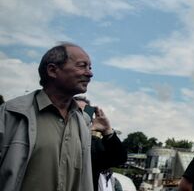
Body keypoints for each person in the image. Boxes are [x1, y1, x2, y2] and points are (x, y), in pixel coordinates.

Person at [0, 43, 95, 191]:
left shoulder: (83, 122)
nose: (89, 74)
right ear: (52, 70)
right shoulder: (10, 113)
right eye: (82, 66)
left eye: (90, 67)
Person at [74, 96, 127, 191]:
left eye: (85, 113)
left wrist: (107, 132)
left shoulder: (94, 144)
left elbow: (119, 158)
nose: (80, 116)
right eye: (76, 112)